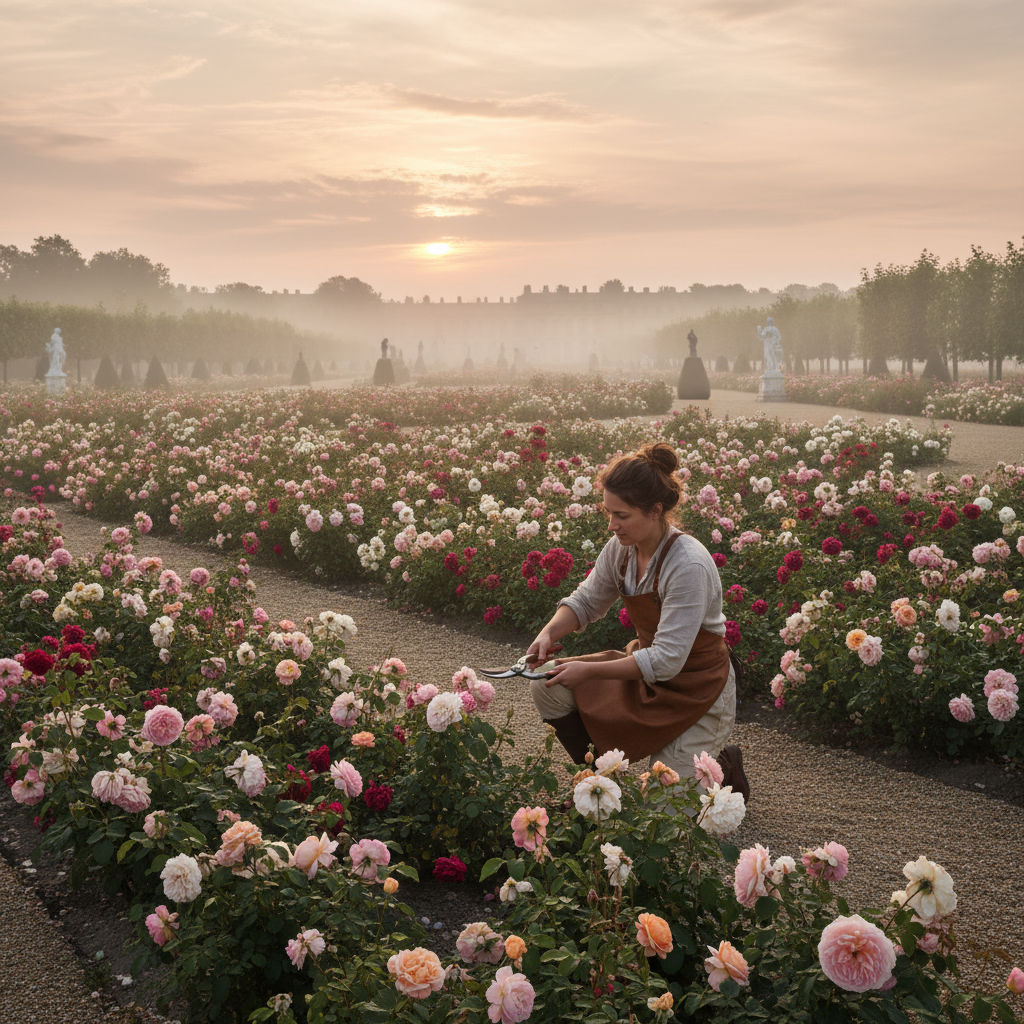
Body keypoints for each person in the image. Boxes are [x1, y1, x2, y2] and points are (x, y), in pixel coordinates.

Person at [526, 441, 749, 800]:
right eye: (608, 513)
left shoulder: (688, 565)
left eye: (622, 515)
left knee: (664, 817)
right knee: (547, 683)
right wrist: (547, 633)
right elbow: (586, 600)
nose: (612, 525)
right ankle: (602, 786)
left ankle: (726, 767)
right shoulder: (622, 548)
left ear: (655, 511)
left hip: (699, 687)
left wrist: (590, 671)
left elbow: (667, 659)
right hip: (648, 675)